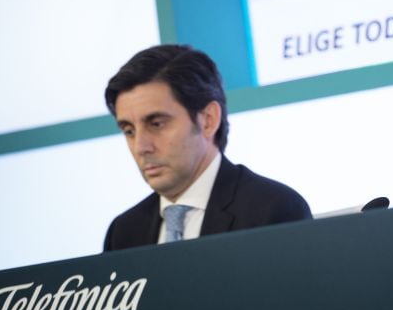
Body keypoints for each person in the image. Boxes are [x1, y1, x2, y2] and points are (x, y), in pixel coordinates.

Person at [103, 44, 312, 251]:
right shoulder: (123, 233)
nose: (141, 147)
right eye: (129, 131)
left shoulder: (274, 210)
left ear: (208, 120)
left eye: (157, 124)